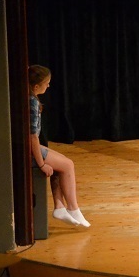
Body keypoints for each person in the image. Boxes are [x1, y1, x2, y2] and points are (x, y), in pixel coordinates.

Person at [28, 65, 91, 227]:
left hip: (30, 146)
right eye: (46, 83)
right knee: (68, 165)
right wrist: (41, 164)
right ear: (36, 86)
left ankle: (60, 206)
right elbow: (32, 136)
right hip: (28, 149)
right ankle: (73, 208)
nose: (48, 85)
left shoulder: (31, 98)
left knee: (62, 161)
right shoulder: (31, 102)